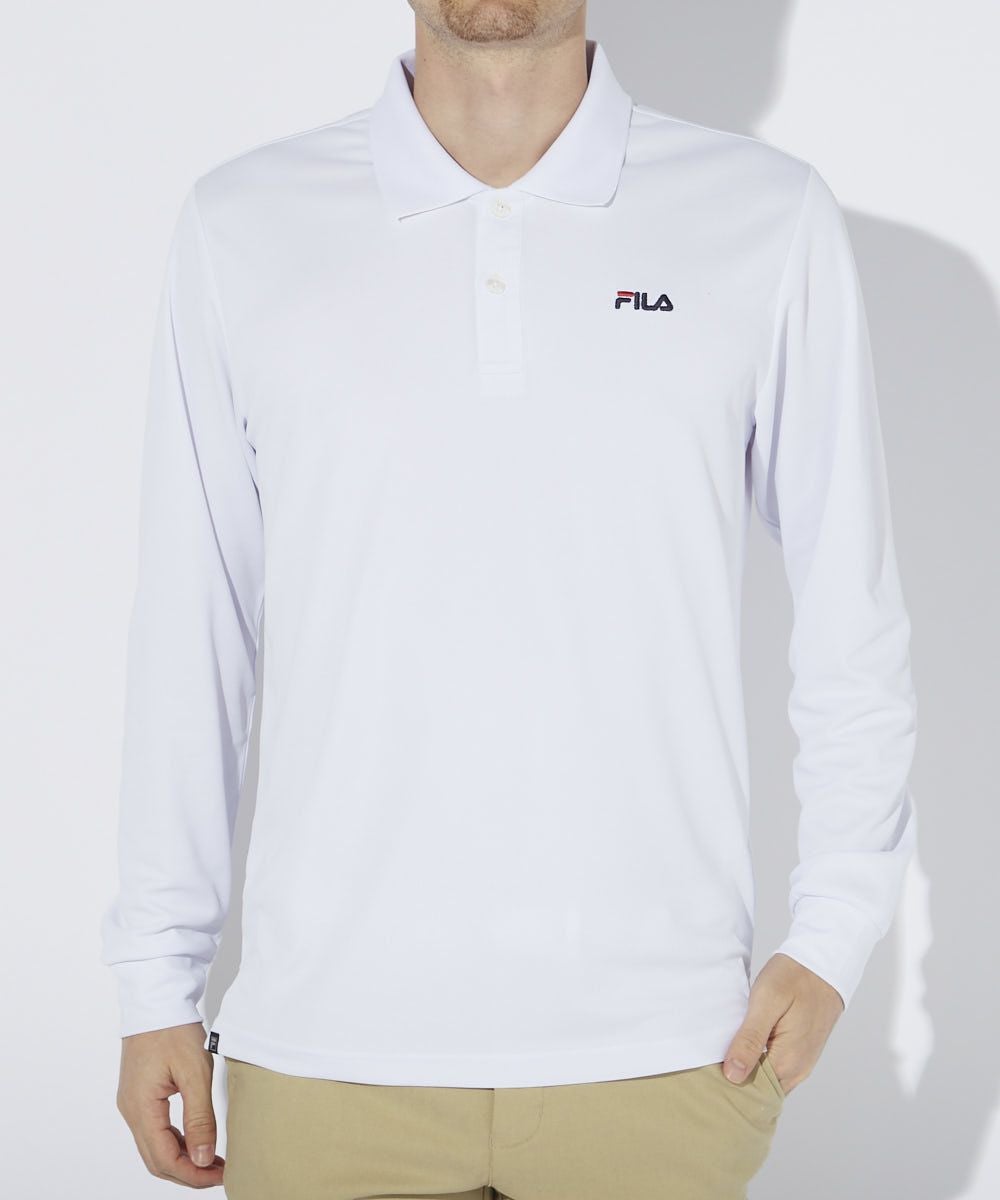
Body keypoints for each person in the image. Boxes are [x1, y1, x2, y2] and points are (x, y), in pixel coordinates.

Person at [101, 2, 919, 1196]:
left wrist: (835, 932)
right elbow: (192, 630)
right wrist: (154, 979)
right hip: (325, 1053)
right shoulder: (243, 225)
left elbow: (852, 616)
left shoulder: (765, 217)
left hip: (666, 1057)